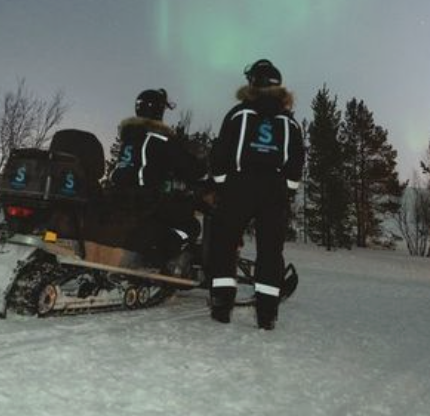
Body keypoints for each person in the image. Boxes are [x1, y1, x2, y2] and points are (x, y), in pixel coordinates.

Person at [206, 59, 306, 329]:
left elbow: (220, 153)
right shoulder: (290, 123)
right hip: (274, 189)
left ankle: (221, 305)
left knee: (224, 242)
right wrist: (286, 190)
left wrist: (221, 184)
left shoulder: (238, 114)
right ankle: (267, 314)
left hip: (239, 186)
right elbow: (296, 164)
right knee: (271, 251)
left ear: (253, 84)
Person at [106, 88, 201, 271]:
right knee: (190, 225)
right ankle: (158, 259)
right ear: (159, 111)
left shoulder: (129, 138)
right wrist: (202, 169)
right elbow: (189, 167)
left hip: (118, 197)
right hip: (147, 200)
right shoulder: (159, 139)